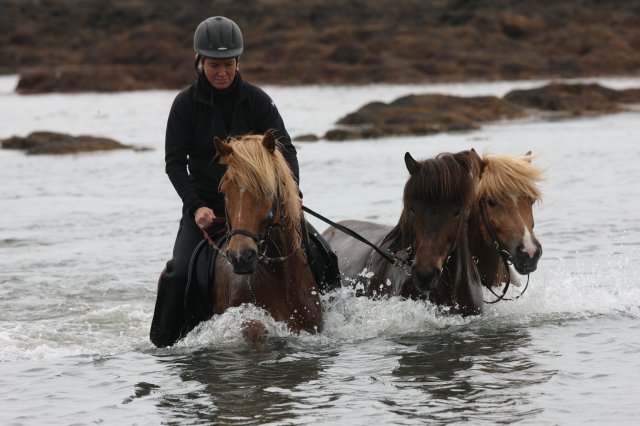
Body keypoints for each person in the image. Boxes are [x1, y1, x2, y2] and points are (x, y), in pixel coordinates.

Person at [150, 16, 338, 348]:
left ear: (237, 62)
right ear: (200, 62)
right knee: (179, 274)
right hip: (210, 209)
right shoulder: (184, 105)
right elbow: (174, 164)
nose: (221, 72)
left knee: (324, 255)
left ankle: (337, 318)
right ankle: (169, 346)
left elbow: (286, 150)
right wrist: (196, 207)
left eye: (227, 64)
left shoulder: (258, 100)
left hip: (263, 206)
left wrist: (288, 194)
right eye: (213, 65)